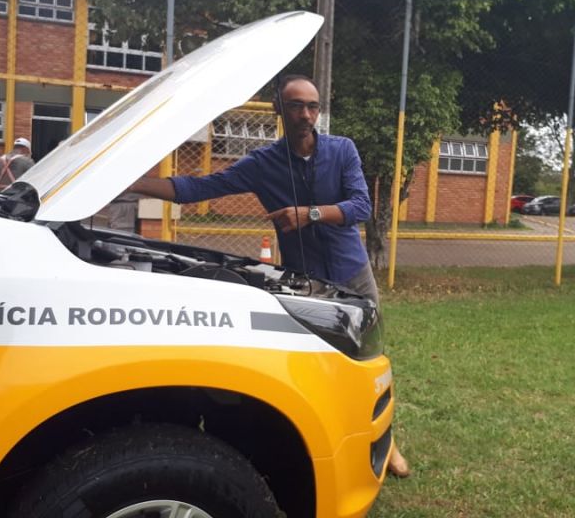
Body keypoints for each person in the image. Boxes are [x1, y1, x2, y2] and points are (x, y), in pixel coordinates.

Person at [128, 74, 411, 477]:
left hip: (353, 270)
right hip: (306, 279)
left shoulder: (343, 150)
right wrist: (134, 184)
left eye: (313, 106)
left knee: (368, 359)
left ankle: (387, 442)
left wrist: (310, 214)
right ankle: (322, 439)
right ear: (279, 108)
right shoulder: (264, 164)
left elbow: (361, 206)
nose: (306, 114)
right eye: (296, 105)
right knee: (319, 363)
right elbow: (197, 187)